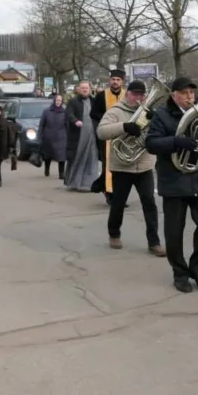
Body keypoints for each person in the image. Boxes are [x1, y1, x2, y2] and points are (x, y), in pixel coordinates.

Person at [145, 77, 198, 293]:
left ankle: (197, 268)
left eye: (191, 93)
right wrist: (175, 142)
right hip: (174, 181)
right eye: (185, 93)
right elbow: (151, 143)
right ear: (174, 94)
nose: (190, 97)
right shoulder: (162, 115)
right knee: (174, 232)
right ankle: (180, 273)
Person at [97, 80, 165, 256]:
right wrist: (124, 127)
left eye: (141, 94)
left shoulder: (150, 113)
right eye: (134, 94)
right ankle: (114, 233)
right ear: (128, 94)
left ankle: (154, 241)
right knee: (118, 203)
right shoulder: (116, 111)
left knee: (149, 204)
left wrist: (154, 123)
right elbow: (101, 132)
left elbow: (160, 134)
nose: (138, 97)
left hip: (144, 166)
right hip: (122, 167)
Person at [91, 69, 126, 205]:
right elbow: (93, 114)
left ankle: (120, 194)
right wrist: (108, 119)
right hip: (108, 136)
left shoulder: (127, 95)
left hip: (124, 136)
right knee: (109, 165)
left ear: (122, 82)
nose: (115, 82)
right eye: (113, 79)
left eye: (118, 80)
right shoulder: (101, 96)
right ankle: (110, 193)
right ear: (109, 80)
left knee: (123, 165)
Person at [64, 81, 99, 191]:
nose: (84, 90)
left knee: (92, 158)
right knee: (77, 158)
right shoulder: (73, 101)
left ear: (90, 89)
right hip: (79, 135)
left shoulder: (94, 101)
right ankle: (74, 182)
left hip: (92, 134)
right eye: (82, 88)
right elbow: (69, 114)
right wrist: (75, 121)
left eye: (86, 88)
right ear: (78, 89)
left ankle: (90, 183)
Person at [38, 94, 69, 180]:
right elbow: (42, 125)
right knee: (48, 155)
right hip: (49, 136)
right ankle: (47, 169)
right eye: (57, 100)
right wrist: (39, 136)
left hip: (61, 136)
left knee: (62, 156)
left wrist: (69, 136)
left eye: (60, 100)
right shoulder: (47, 111)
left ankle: (61, 173)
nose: (58, 102)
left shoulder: (65, 112)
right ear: (54, 101)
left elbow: (68, 125)